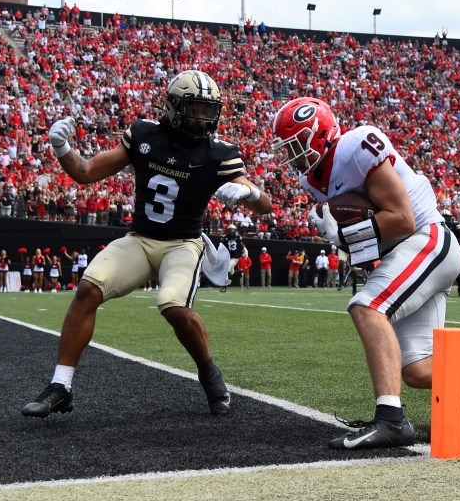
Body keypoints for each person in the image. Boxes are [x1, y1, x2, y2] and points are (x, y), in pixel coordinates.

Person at [272, 97, 460, 450]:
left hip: (427, 238)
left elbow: (402, 218)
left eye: (295, 145)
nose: (291, 156)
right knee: (421, 370)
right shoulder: (315, 180)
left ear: (319, 134)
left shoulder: (356, 145)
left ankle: (391, 421)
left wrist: (344, 233)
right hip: (403, 251)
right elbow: (367, 240)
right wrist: (343, 238)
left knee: (367, 307)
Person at [22, 69, 272, 419]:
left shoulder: (219, 153)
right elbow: (86, 172)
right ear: (173, 106)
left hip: (183, 244)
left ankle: (209, 374)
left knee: (172, 304)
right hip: (140, 239)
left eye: (208, 109)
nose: (203, 118)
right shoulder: (143, 135)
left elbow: (266, 206)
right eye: (195, 108)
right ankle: (60, 385)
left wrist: (250, 192)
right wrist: (62, 148)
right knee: (88, 289)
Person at [221, 224, 242, 292]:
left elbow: (241, 243)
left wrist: (244, 249)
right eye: (231, 229)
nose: (232, 231)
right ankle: (239, 272)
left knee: (227, 270)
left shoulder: (237, 237)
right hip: (228, 257)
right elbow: (222, 246)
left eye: (233, 230)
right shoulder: (225, 238)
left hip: (235, 257)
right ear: (228, 230)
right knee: (231, 272)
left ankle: (224, 286)